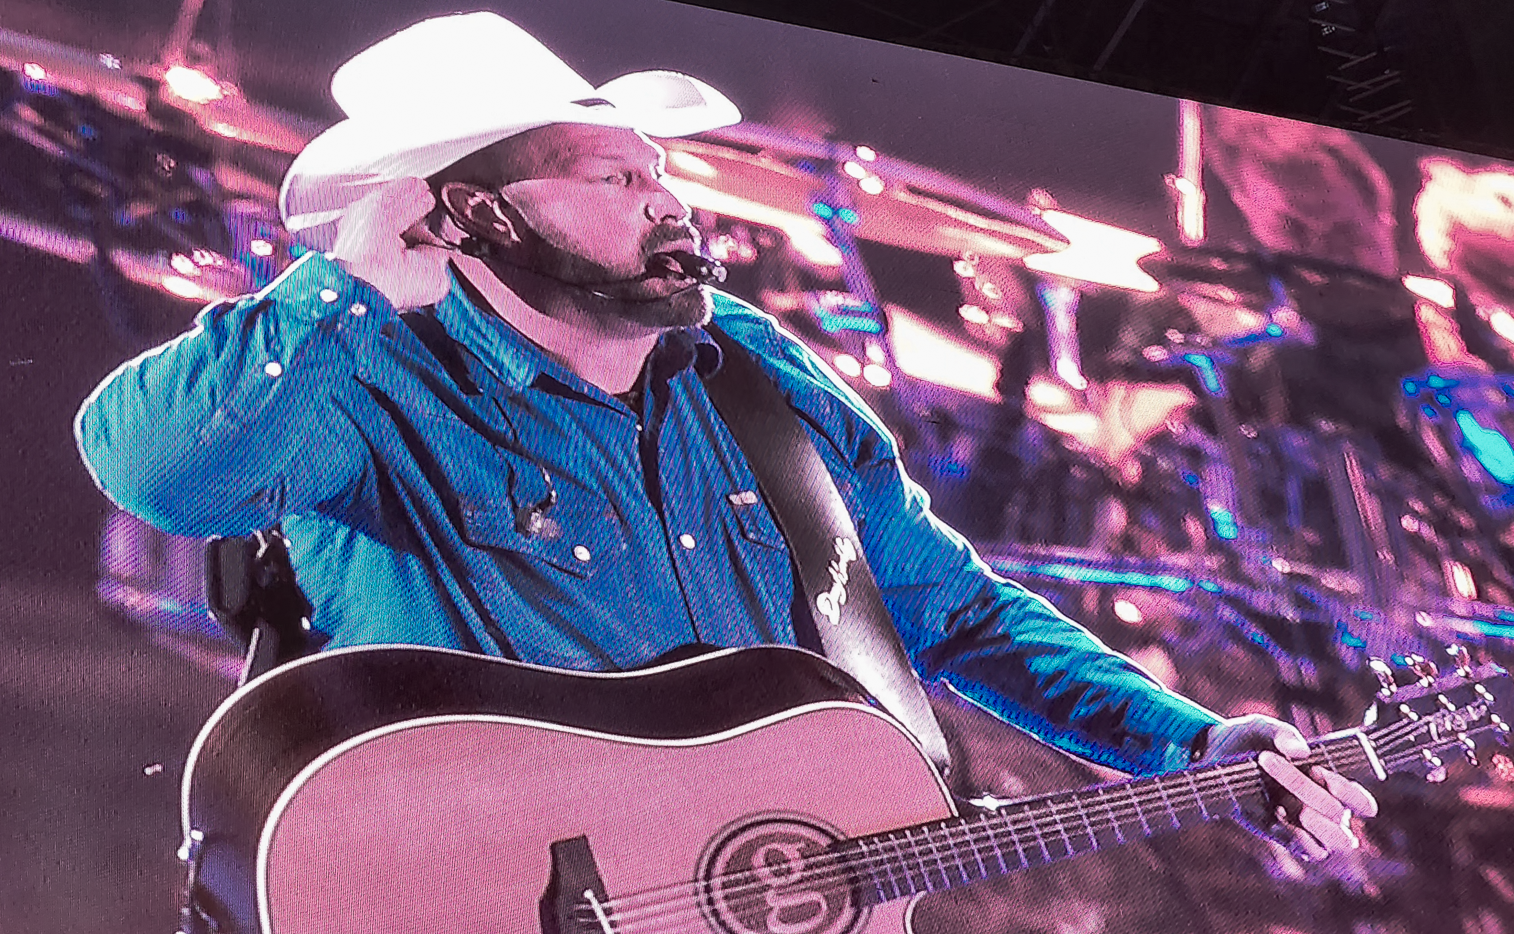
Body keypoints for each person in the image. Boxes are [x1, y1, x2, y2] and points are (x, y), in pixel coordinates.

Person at [75, 12, 1374, 861]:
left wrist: (1188, 743)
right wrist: (348, 283)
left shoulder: (757, 372)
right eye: (616, 177)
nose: (673, 203)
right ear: (470, 215)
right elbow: (156, 472)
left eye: (663, 173)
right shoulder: (371, 372)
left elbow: (953, 611)